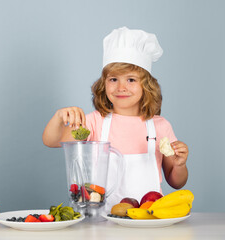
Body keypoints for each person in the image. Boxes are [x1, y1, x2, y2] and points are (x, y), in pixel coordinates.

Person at [43, 27, 189, 209]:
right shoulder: (93, 123)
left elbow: (176, 182)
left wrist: (179, 165)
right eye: (113, 79)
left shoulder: (160, 127)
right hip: (103, 221)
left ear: (147, 86)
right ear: (103, 84)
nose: (121, 87)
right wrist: (59, 117)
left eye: (131, 80)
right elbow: (52, 141)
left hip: (149, 218)